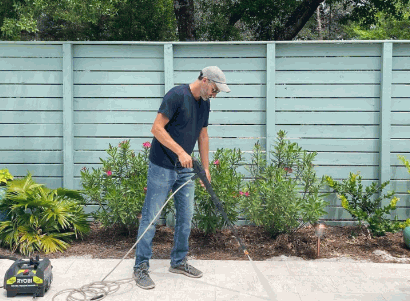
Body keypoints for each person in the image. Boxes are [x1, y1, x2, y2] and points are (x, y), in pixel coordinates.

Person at [133, 66, 231, 289]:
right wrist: (180, 151)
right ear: (205, 81)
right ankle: (140, 267)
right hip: (162, 165)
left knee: (186, 216)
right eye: (215, 90)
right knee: (151, 217)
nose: (215, 95)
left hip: (186, 169)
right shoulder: (176, 95)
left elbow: (203, 136)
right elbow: (156, 129)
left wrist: (205, 168)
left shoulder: (204, 103)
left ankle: (178, 261)